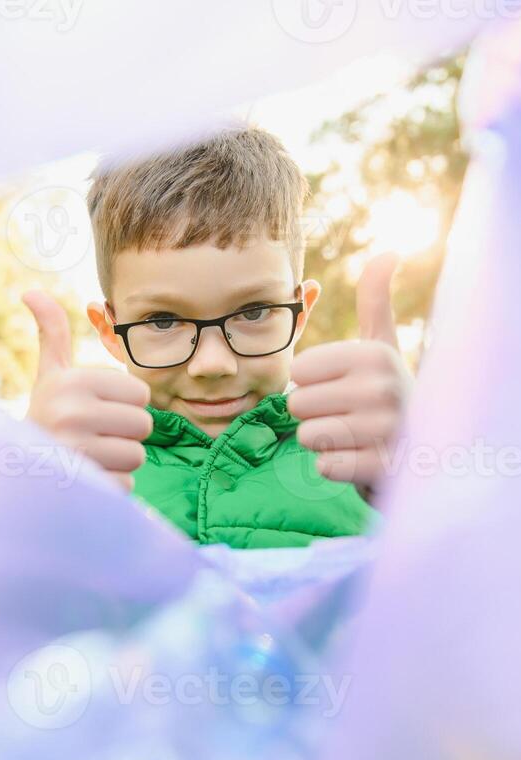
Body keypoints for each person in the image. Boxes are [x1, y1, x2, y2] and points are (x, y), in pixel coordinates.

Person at [23, 125, 411, 549]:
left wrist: (423, 463)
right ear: (110, 332)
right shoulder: (84, 470)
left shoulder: (362, 460)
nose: (212, 364)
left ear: (300, 315)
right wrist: (23, 487)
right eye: (163, 320)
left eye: (254, 311)